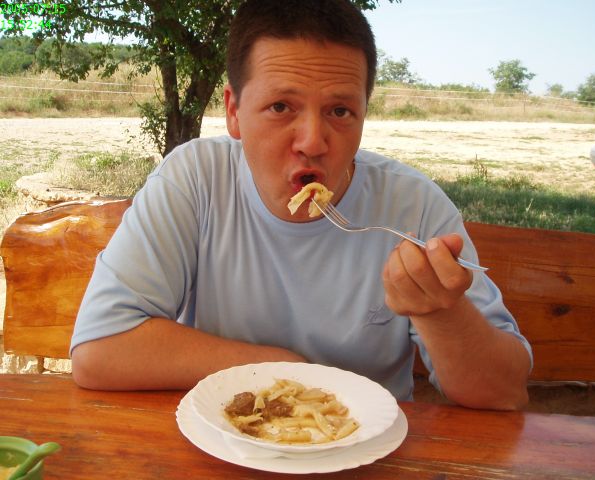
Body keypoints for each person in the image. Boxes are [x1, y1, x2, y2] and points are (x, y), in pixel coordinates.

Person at [70, 0, 532, 410]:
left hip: (369, 453)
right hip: (228, 441)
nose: (313, 142)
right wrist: (281, 370)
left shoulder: (412, 206)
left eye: (339, 111)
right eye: (281, 107)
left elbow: (505, 393)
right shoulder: (195, 179)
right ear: (233, 111)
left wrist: (441, 312)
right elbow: (99, 349)